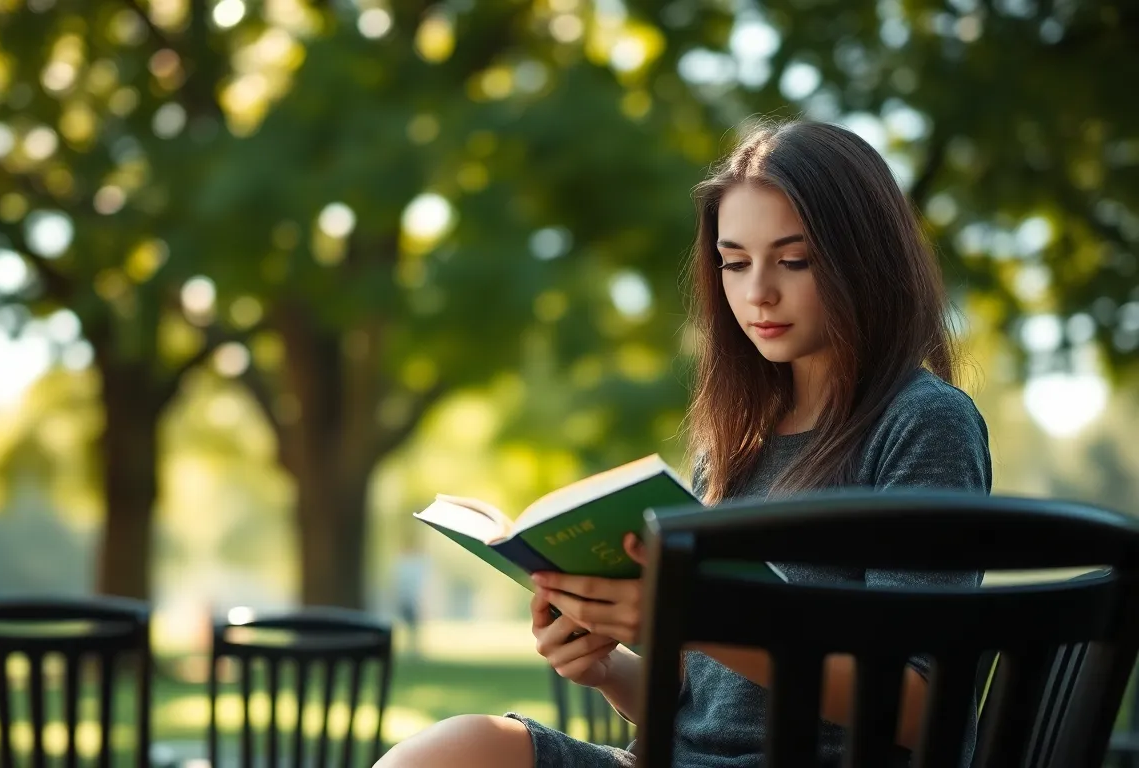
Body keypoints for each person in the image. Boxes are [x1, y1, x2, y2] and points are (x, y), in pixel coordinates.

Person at [374, 119, 992, 768]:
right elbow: (709, 707)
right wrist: (608, 665)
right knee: (455, 750)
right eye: (734, 263)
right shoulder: (735, 442)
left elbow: (924, 707)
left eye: (793, 260)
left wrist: (704, 617)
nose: (757, 293)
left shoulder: (923, 423)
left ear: (864, 258)